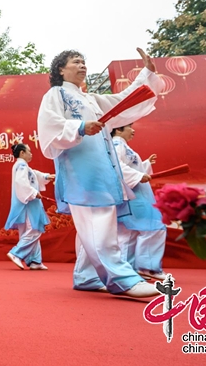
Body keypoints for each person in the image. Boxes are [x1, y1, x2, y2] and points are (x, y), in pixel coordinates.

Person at [37, 48, 162, 298]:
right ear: (61, 69)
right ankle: (122, 279)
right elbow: (49, 125)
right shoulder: (56, 94)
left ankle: (86, 276)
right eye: (76, 62)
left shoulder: (91, 99)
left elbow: (125, 100)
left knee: (94, 224)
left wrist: (147, 73)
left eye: (84, 62)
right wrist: (81, 127)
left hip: (102, 169)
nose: (82, 65)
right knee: (99, 221)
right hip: (81, 171)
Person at [111, 123, 168, 280]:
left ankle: (128, 270)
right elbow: (116, 166)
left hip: (134, 193)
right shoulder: (117, 144)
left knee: (130, 232)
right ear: (118, 129)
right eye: (129, 126)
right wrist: (137, 176)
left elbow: (130, 168)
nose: (133, 130)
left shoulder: (122, 146)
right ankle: (147, 267)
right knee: (154, 226)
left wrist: (145, 164)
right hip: (135, 195)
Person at [4, 143, 54, 270]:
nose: (31, 154)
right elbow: (21, 182)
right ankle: (16, 253)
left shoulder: (22, 166)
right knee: (35, 229)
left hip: (26, 202)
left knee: (28, 231)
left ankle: (34, 261)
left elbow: (34, 175)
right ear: (22, 153)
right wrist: (33, 193)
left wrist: (47, 176)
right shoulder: (21, 165)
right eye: (29, 151)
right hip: (29, 203)